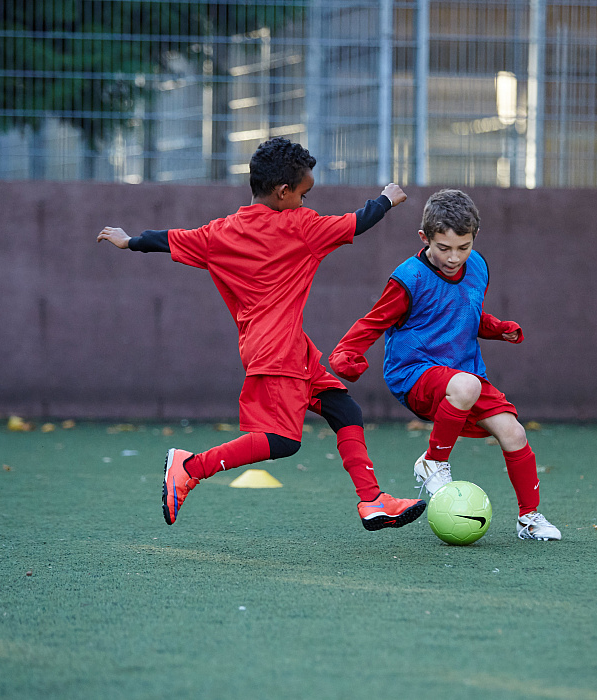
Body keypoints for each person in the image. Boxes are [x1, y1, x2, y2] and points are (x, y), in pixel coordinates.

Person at [96, 137, 426, 532]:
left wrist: (129, 240)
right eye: (304, 194)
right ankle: (190, 467)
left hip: (283, 348)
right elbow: (358, 221)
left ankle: (373, 502)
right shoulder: (301, 226)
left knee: (344, 409)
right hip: (278, 353)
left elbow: (167, 239)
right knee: (282, 441)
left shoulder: (219, 233)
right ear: (283, 192)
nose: (306, 202)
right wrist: (387, 198)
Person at [328, 189, 561, 541]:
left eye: (463, 247)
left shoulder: (478, 266)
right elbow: (373, 321)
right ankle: (433, 463)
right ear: (424, 239)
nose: (454, 257)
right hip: (414, 373)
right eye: (444, 247)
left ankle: (529, 519)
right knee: (466, 385)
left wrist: (496, 329)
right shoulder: (408, 278)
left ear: (474, 239)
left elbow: (465, 313)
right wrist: (345, 352)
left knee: (514, 433)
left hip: (464, 374)